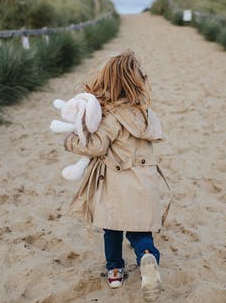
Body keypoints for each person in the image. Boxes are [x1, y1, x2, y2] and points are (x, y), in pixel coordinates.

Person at [63, 49, 169, 302]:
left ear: (107, 81)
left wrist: (71, 142)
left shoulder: (111, 116)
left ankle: (114, 269)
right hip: (145, 181)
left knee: (112, 227)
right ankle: (147, 256)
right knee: (140, 228)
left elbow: (97, 146)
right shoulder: (146, 113)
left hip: (117, 182)